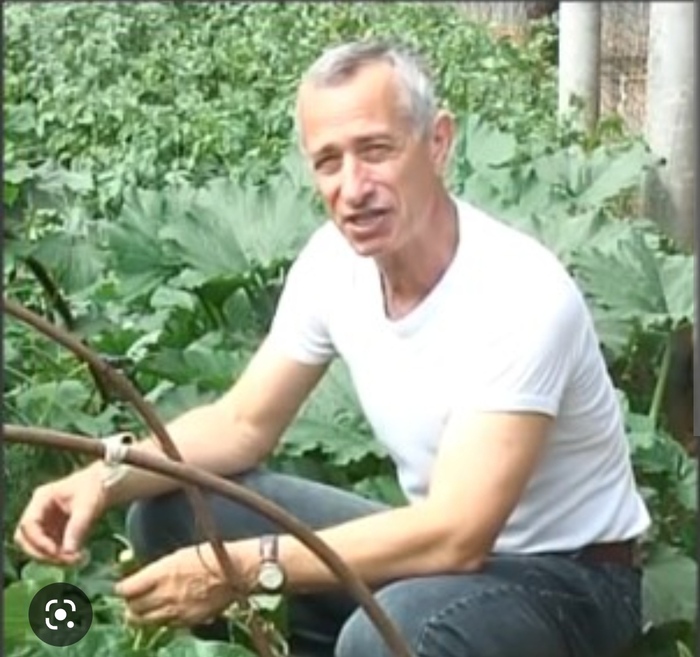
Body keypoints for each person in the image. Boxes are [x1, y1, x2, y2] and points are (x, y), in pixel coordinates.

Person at [14, 40, 651, 657]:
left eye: (376, 150)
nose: (353, 186)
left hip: (570, 581)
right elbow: (241, 424)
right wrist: (105, 474)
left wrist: (242, 568)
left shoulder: (520, 292)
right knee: (174, 512)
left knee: (393, 632)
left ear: (438, 142)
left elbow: (458, 534)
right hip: (439, 565)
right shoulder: (332, 263)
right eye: (328, 161)